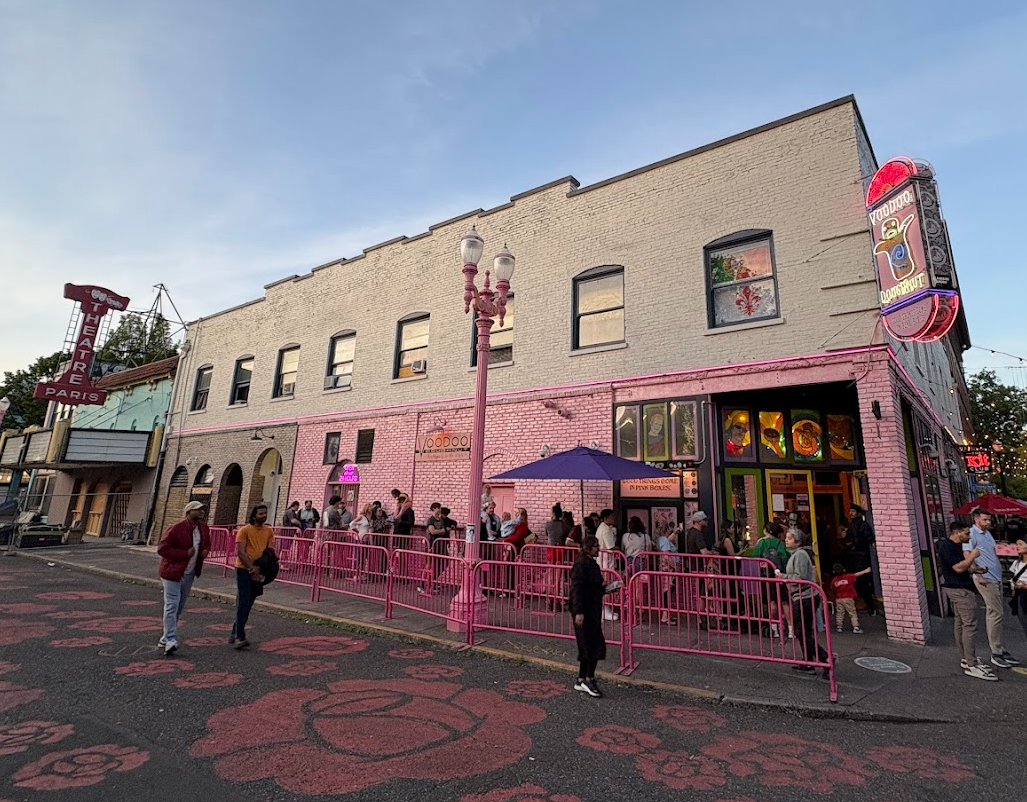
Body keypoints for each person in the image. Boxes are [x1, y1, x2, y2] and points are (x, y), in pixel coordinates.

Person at [939, 521, 996, 681]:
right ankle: (971, 663)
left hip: (960, 586)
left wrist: (977, 569)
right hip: (960, 590)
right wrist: (972, 555)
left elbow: (964, 567)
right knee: (969, 624)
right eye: (966, 533)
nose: (969, 536)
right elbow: (958, 568)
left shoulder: (956, 547)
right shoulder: (948, 547)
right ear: (957, 533)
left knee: (961, 623)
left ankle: (966, 658)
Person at [965, 508, 1021, 668]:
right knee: (995, 613)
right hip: (986, 578)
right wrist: (978, 574)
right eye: (985, 520)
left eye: (989, 520)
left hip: (995, 577)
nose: (988, 523)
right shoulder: (972, 534)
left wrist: (1003, 547)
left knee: (997, 612)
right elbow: (967, 555)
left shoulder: (987, 534)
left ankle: (999, 648)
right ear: (976, 519)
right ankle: (996, 652)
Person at [157, 501, 211, 656]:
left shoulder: (203, 528)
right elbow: (162, 548)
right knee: (172, 605)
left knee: (179, 607)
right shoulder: (177, 528)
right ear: (188, 512)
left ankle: (165, 637)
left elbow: (207, 544)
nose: (201, 512)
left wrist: (205, 551)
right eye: (197, 510)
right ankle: (171, 640)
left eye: (202, 510)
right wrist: (184, 554)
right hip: (172, 573)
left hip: (189, 573)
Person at [569, 536, 617, 698]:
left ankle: (583, 678)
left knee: (591, 644)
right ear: (588, 548)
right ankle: (587, 678)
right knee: (589, 645)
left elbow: (594, 588)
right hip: (585, 611)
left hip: (593, 609)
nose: (598, 548)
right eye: (595, 546)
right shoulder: (581, 565)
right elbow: (577, 589)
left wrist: (608, 589)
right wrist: (579, 611)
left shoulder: (590, 564)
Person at [782, 527, 829, 676]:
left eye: (789, 538)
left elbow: (800, 577)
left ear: (798, 541)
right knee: (804, 630)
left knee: (800, 630)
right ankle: (808, 662)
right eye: (786, 537)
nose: (786, 540)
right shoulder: (796, 554)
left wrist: (783, 577)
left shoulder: (800, 555)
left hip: (805, 597)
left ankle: (825, 657)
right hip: (802, 596)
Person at [231, 504, 276, 650]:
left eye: (265, 513)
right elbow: (240, 552)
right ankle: (239, 637)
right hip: (243, 570)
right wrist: (251, 568)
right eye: (260, 513)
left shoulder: (268, 531)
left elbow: (269, 552)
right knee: (243, 601)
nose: (263, 515)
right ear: (253, 514)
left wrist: (259, 568)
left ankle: (235, 632)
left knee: (249, 602)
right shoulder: (244, 530)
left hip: (259, 570)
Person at [752, 522, 791, 638]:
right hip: (780, 576)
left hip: (766, 576)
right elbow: (785, 558)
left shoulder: (761, 543)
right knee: (785, 602)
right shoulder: (780, 544)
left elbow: (755, 557)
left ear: (766, 530)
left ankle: (775, 629)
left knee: (771, 602)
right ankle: (790, 630)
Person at [846, 504, 877, 615]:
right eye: (850, 511)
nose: (851, 513)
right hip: (853, 557)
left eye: (853, 511)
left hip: (862, 557)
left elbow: (870, 540)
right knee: (857, 582)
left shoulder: (863, 526)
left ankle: (870, 606)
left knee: (863, 582)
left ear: (858, 513)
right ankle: (864, 604)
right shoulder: (851, 525)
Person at [829, 563, 871, 634]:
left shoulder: (834, 580)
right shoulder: (848, 577)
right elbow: (856, 574)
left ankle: (839, 627)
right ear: (844, 570)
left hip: (839, 598)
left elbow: (832, 588)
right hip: (848, 597)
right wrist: (865, 571)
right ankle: (856, 627)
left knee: (840, 613)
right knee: (852, 612)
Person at [595, 509, 619, 622]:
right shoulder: (606, 530)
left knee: (605, 585)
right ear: (605, 518)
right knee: (606, 586)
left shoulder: (603, 528)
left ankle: (605, 609)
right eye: (612, 516)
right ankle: (605, 609)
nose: (614, 518)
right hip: (605, 562)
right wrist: (619, 550)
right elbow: (610, 547)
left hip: (603, 561)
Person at [1010, 539, 1027, 642]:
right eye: (1016, 544)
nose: (1017, 546)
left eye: (1021, 544)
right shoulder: (1016, 563)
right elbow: (1013, 579)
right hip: (1020, 596)